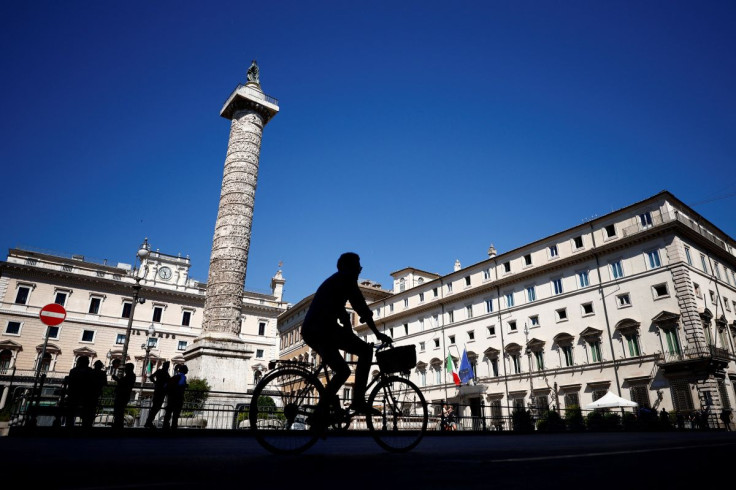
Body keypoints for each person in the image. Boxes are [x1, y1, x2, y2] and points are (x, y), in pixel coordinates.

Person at [300, 252, 392, 424]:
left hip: (316, 329)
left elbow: (343, 314)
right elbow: (361, 307)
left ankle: (323, 413)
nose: (360, 269)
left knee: (342, 370)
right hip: (322, 329)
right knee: (364, 351)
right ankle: (357, 402)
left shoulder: (336, 282)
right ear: (348, 267)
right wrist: (378, 333)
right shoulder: (346, 280)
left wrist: (350, 331)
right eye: (357, 266)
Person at [63, 356, 94, 428]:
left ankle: (69, 427)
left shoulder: (73, 371)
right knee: (86, 414)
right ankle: (85, 428)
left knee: (71, 412)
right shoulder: (90, 371)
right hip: (86, 395)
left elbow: (70, 383)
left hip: (74, 394)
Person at [144, 361, 170, 429]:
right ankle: (148, 422)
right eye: (167, 365)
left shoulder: (162, 372)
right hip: (160, 391)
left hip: (159, 390)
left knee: (155, 407)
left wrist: (155, 383)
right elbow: (151, 377)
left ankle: (148, 422)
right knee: (156, 407)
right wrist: (155, 383)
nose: (167, 367)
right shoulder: (164, 373)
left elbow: (151, 377)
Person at [162, 364, 188, 430]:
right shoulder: (183, 377)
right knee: (176, 413)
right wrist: (185, 386)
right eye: (187, 369)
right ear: (185, 370)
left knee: (168, 412)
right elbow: (180, 384)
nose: (187, 370)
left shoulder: (175, 376)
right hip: (178, 397)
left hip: (171, 396)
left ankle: (165, 425)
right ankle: (174, 427)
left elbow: (165, 385)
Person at [111, 363, 136, 429]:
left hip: (123, 395)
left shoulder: (130, 376)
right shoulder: (130, 376)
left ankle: (118, 426)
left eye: (126, 368)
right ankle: (118, 425)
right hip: (124, 395)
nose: (125, 369)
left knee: (119, 411)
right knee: (119, 411)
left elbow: (124, 384)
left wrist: (117, 379)